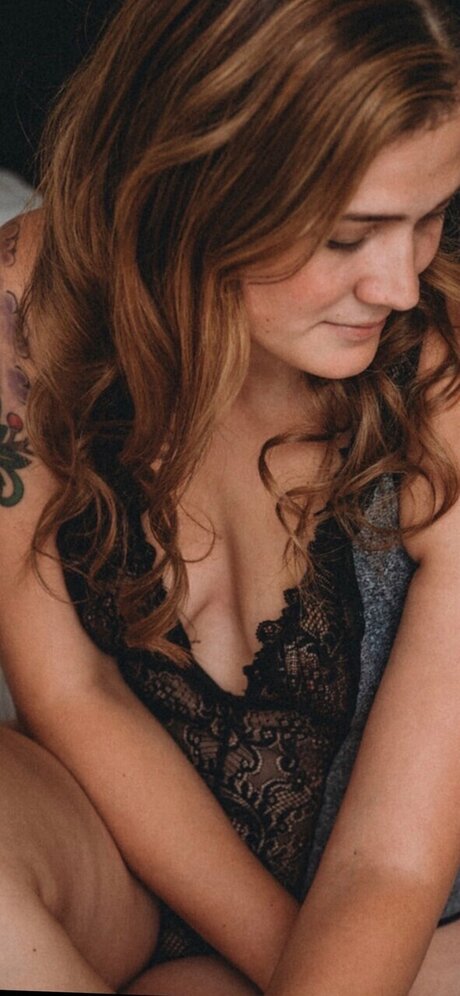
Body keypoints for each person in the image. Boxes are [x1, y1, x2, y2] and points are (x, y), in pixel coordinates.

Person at [0, 0, 460, 992]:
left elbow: (390, 866)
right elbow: (71, 692)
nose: (399, 285)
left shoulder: (440, 391)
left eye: (429, 220)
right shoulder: (24, 300)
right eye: (348, 237)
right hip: (122, 852)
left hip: (399, 913)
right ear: (197, 189)